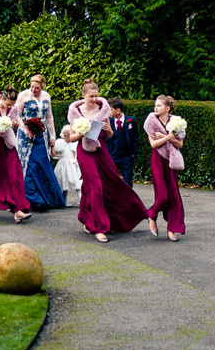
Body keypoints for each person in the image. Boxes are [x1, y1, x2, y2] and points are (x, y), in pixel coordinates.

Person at [66, 80, 147, 242]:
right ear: (83, 95)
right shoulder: (75, 112)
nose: (94, 99)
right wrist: (83, 131)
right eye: (91, 96)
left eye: (96, 96)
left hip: (101, 150)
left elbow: (109, 136)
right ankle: (100, 227)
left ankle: (86, 216)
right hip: (84, 151)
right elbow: (72, 138)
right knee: (95, 185)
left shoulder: (103, 110)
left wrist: (108, 130)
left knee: (112, 181)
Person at [0, 86, 32, 224]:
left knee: (15, 176)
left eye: (12, 104)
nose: (11, 106)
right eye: (9, 103)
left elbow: (15, 124)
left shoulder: (13, 109)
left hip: (9, 146)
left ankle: (18, 210)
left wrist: (15, 124)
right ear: (2, 98)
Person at [15, 74, 65, 211]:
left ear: (42, 87)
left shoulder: (46, 96)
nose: (33, 90)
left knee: (42, 163)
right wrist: (26, 130)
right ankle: (34, 199)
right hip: (26, 135)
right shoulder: (23, 95)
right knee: (29, 165)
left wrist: (52, 136)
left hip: (41, 134)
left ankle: (49, 198)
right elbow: (16, 115)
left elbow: (49, 116)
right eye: (31, 86)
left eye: (36, 88)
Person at [144, 94, 186, 242]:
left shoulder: (176, 122)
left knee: (174, 195)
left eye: (159, 105)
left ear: (167, 108)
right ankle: (151, 215)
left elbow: (180, 144)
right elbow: (153, 145)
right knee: (162, 195)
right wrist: (168, 137)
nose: (156, 108)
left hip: (171, 161)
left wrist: (167, 136)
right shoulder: (150, 121)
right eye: (155, 105)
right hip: (157, 159)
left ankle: (171, 229)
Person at [105, 97, 139, 186]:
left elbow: (135, 137)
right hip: (113, 156)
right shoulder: (109, 121)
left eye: (110, 110)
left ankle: (128, 199)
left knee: (128, 182)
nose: (108, 112)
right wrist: (108, 153)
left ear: (118, 110)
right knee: (112, 181)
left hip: (126, 157)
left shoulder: (131, 120)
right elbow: (106, 139)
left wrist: (133, 154)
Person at [52, 124, 82, 205]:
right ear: (64, 135)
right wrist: (52, 147)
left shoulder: (74, 143)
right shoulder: (60, 143)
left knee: (77, 182)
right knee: (64, 183)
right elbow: (54, 154)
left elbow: (76, 153)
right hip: (64, 164)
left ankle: (81, 199)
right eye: (68, 135)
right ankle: (64, 200)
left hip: (73, 163)